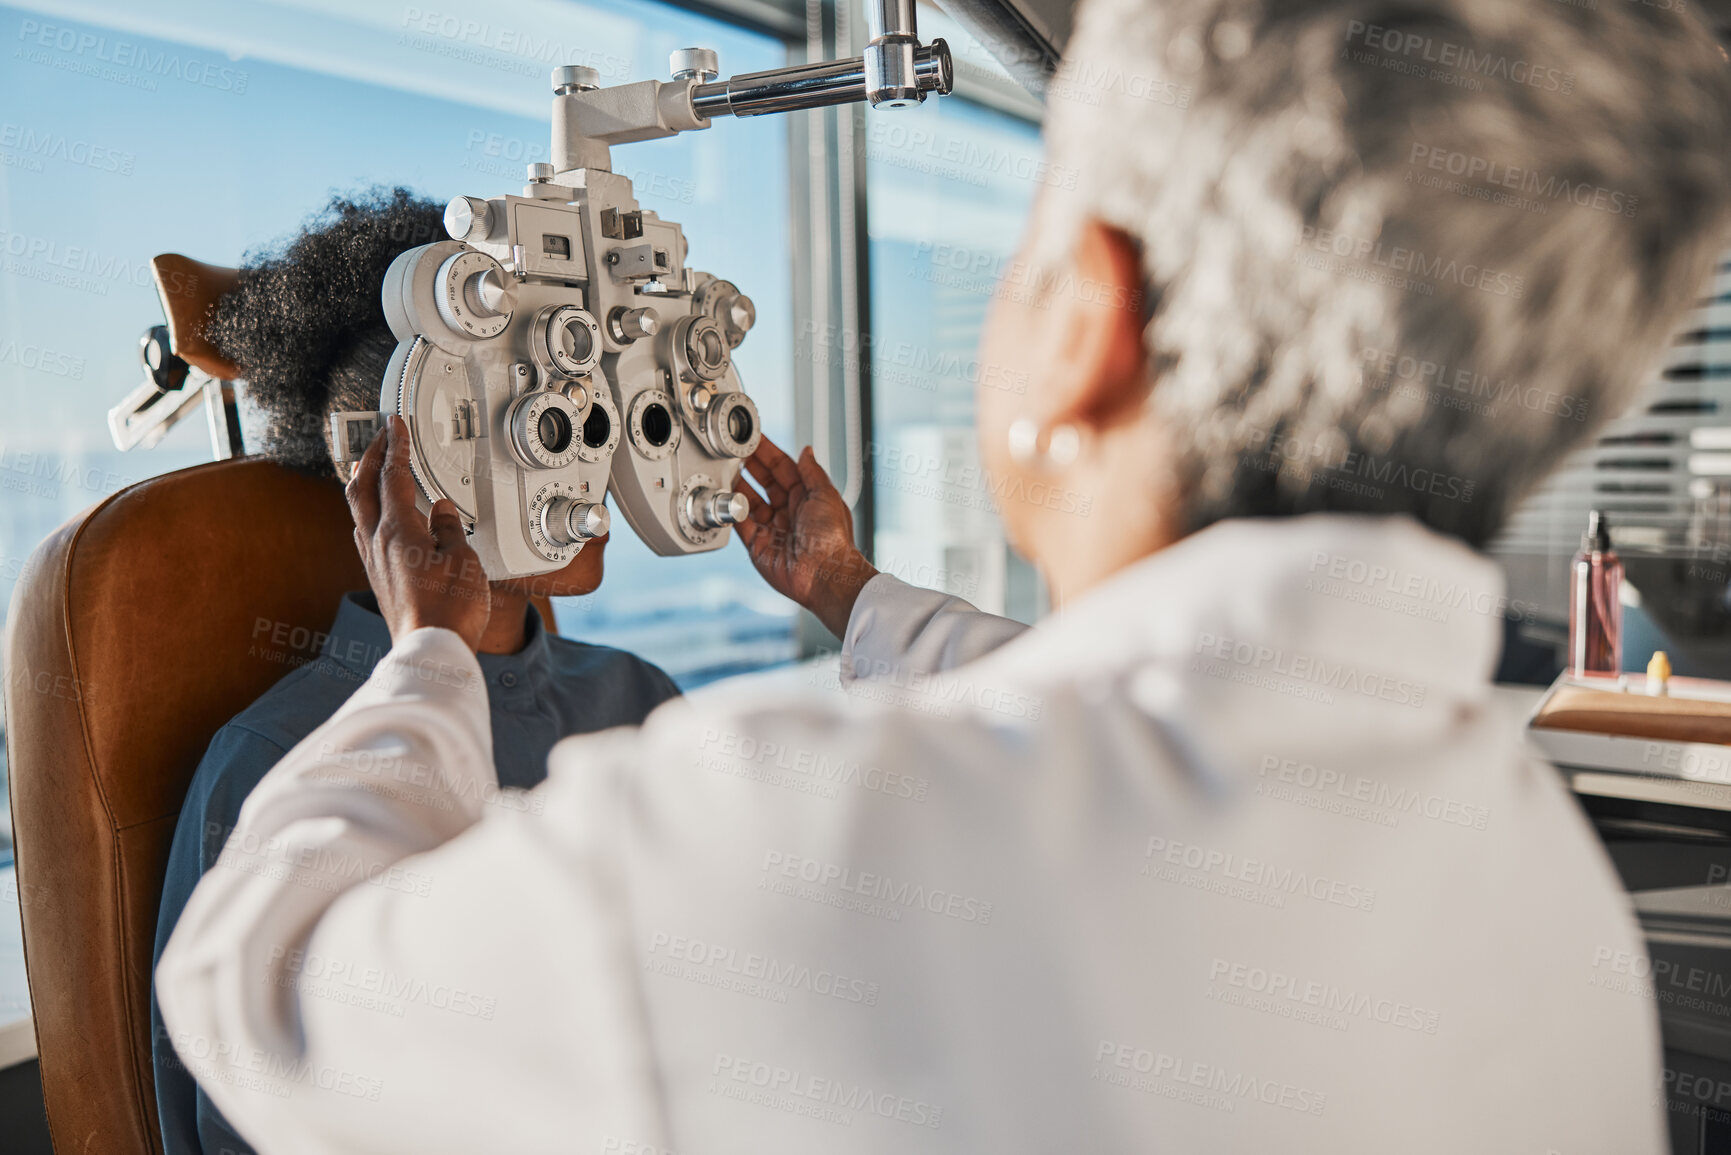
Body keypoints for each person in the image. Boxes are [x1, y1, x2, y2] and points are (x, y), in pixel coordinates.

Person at [158, 0, 1731, 1150]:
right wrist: (852, 597)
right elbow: (1123, 739)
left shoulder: (774, 836)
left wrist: (426, 654)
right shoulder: (1547, 897)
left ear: (1083, 318)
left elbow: (261, 985)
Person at [148, 188, 681, 1155]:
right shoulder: (274, 761)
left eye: (582, 396)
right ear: (393, 465)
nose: (589, 447)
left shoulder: (640, 701)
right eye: (534, 419)